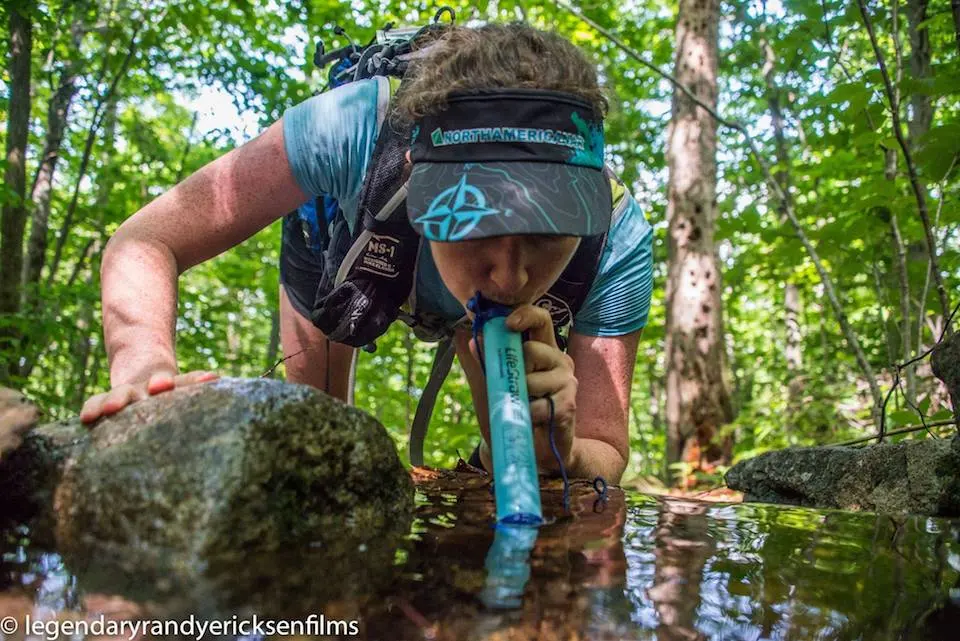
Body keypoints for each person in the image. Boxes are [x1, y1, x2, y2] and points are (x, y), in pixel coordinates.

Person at [79, 22, 653, 484]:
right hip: (349, 251)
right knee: (317, 457)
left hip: (465, 287)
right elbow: (147, 238)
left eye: (547, 232)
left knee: (524, 450)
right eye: (472, 222)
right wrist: (144, 373)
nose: (510, 273)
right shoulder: (350, 129)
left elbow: (605, 447)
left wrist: (562, 455)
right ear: (415, 173)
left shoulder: (618, 238)